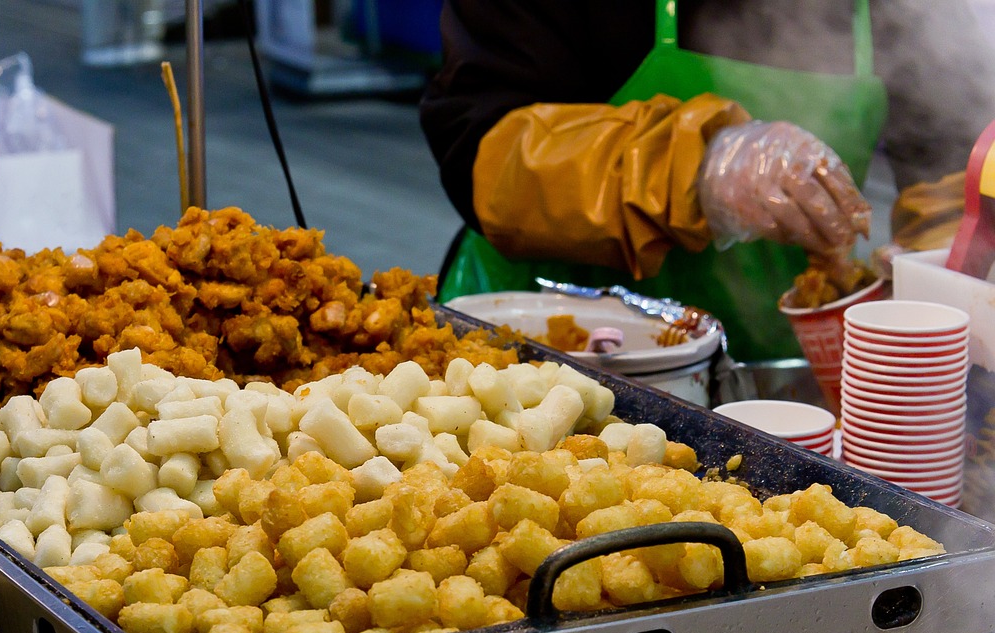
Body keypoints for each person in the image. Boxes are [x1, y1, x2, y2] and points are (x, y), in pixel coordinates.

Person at [419, 0, 995, 362]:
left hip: (778, 364)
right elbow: (481, 147)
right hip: (546, 348)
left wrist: (946, 273)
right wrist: (695, 167)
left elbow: (955, 162)